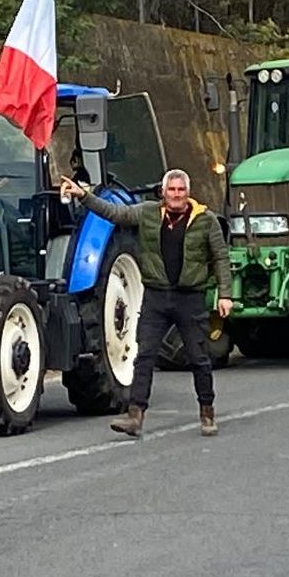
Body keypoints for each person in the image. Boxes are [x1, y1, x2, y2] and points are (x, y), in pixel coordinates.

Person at [60, 168, 233, 437]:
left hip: (190, 297)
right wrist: (84, 196)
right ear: (163, 193)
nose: (176, 195)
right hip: (156, 296)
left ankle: (207, 411)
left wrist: (225, 294)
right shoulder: (148, 213)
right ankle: (135, 415)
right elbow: (115, 213)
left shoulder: (205, 220)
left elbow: (221, 257)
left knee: (199, 358)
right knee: (145, 357)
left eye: (181, 190)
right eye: (172, 190)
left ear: (188, 193)